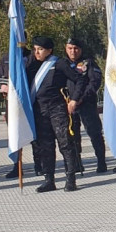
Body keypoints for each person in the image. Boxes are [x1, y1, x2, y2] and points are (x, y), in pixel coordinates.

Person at [27, 36, 83, 192]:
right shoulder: (32, 65)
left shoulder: (59, 64)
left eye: (40, 49)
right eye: (35, 49)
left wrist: (74, 99)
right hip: (39, 110)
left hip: (57, 108)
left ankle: (71, 178)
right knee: (45, 146)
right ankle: (49, 180)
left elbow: (79, 80)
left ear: (49, 50)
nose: (36, 52)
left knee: (65, 143)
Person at [65, 37, 109, 173]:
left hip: (86, 105)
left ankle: (101, 162)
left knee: (94, 133)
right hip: (69, 106)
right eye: (70, 48)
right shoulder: (63, 64)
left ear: (81, 49)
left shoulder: (88, 63)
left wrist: (81, 98)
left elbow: (94, 82)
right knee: (73, 136)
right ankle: (77, 164)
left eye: (76, 48)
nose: (73, 51)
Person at [0, 46, 34, 179]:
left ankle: (40, 163)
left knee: (34, 132)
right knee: (14, 133)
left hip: (31, 100)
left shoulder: (32, 56)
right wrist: (2, 86)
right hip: (12, 102)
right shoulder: (6, 57)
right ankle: (17, 166)